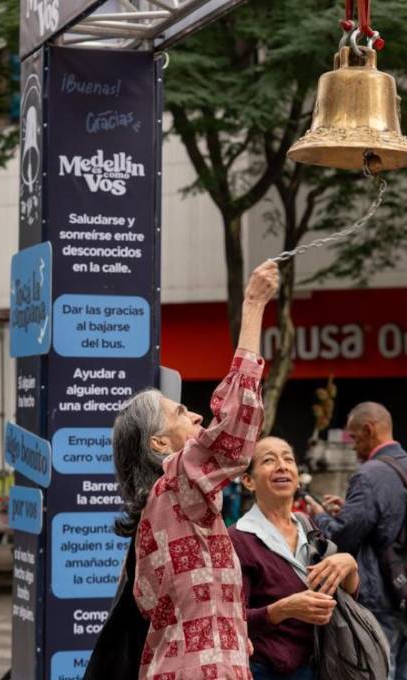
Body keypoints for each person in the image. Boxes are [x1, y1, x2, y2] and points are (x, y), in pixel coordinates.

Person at [111, 260, 278, 679]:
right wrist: (255, 304)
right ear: (159, 445)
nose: (199, 417)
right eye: (182, 413)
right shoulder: (175, 485)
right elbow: (235, 429)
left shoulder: (172, 511)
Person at [304, 402, 407, 680]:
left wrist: (319, 516)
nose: (353, 447)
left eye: (354, 437)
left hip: (382, 597)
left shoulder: (369, 474)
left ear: (369, 429)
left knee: (379, 670)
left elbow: (343, 536)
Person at [229, 436, 360, 680]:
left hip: (318, 664)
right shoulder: (238, 539)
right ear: (248, 481)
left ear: (297, 476)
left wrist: (350, 566)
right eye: (269, 460)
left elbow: (347, 599)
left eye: (288, 459)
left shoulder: (307, 527)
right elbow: (232, 621)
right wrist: (282, 610)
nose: (282, 465)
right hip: (264, 669)